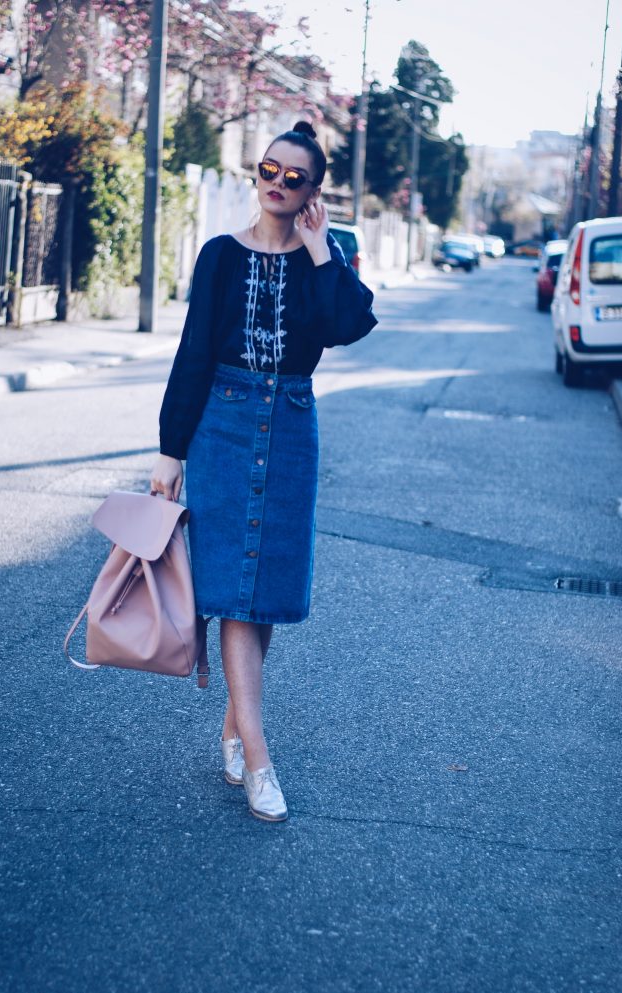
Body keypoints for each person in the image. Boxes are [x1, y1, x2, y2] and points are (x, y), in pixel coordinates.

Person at [150, 121, 377, 822]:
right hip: (221, 423)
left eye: (293, 177)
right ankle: (257, 755)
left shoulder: (323, 259)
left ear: (313, 191)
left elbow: (348, 324)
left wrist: (318, 248)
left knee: (265, 586)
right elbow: (191, 354)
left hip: (290, 426)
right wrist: (169, 451)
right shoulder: (220, 256)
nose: (276, 184)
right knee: (237, 593)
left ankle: (231, 724)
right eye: (267, 170)